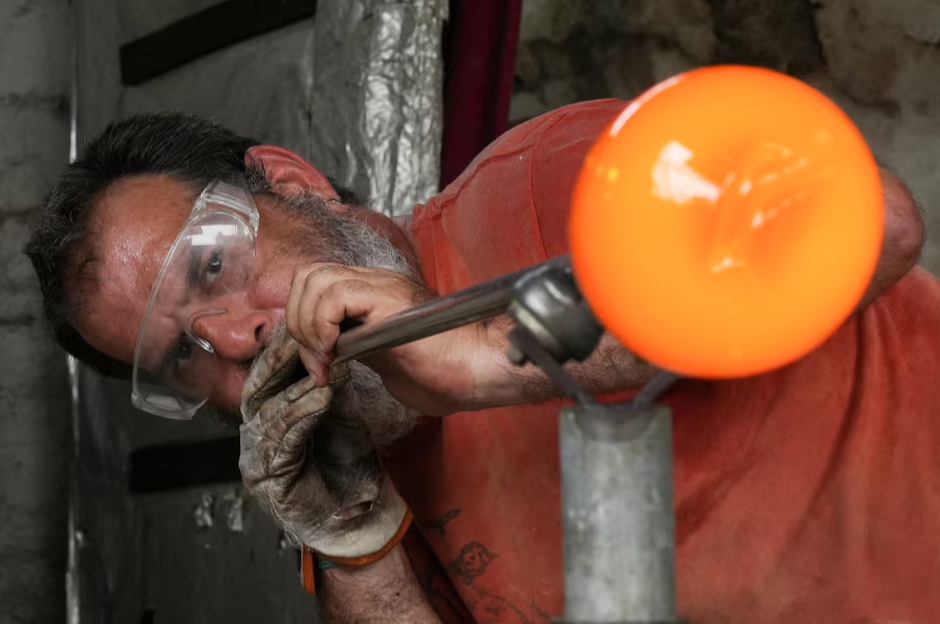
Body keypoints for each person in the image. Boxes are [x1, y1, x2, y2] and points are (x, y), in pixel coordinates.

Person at [24, 97, 936, 624]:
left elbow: (874, 227)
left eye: (213, 267)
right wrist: (353, 542)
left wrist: (487, 358)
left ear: (293, 182)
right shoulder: (349, 471)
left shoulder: (542, 184)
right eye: (183, 356)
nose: (235, 339)